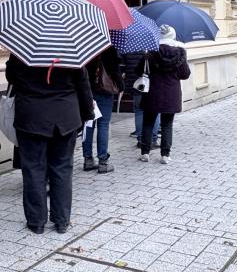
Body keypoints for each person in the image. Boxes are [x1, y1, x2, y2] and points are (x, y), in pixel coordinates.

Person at [6, 55, 94, 234]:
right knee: (62, 169)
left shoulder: (23, 48)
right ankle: (61, 221)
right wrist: (87, 114)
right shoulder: (71, 50)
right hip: (65, 117)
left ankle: (36, 222)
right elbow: (82, 83)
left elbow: (11, 77)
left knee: (33, 170)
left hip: (32, 117)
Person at [137, 25, 191, 164]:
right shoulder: (180, 53)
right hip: (171, 94)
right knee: (167, 124)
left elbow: (138, 71)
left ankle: (145, 153)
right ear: (172, 35)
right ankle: (165, 155)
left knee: (148, 123)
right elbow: (185, 75)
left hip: (152, 93)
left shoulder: (150, 53)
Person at [82, 46, 124, 173]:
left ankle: (88, 159)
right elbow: (115, 71)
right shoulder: (109, 49)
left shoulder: (85, 46)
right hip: (105, 92)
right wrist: (121, 86)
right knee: (103, 125)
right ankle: (103, 162)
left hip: (88, 90)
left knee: (89, 124)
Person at [121, 51, 159, 148]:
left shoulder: (129, 47)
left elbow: (127, 66)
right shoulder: (152, 49)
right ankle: (153, 139)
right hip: (151, 85)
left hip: (136, 84)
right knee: (155, 111)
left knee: (139, 111)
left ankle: (140, 139)